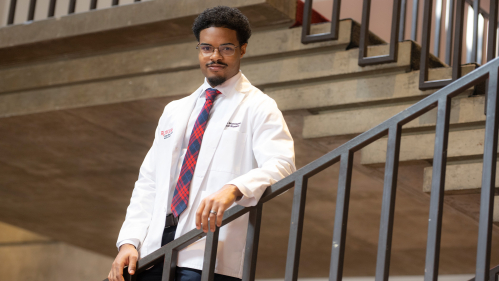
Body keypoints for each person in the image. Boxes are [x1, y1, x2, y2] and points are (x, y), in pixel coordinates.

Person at [108, 6, 296, 281]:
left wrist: (234, 188)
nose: (215, 56)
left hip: (206, 256)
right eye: (207, 48)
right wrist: (129, 241)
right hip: (151, 253)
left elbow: (282, 163)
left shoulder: (259, 106)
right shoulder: (175, 110)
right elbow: (148, 182)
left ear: (242, 50)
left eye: (226, 48)